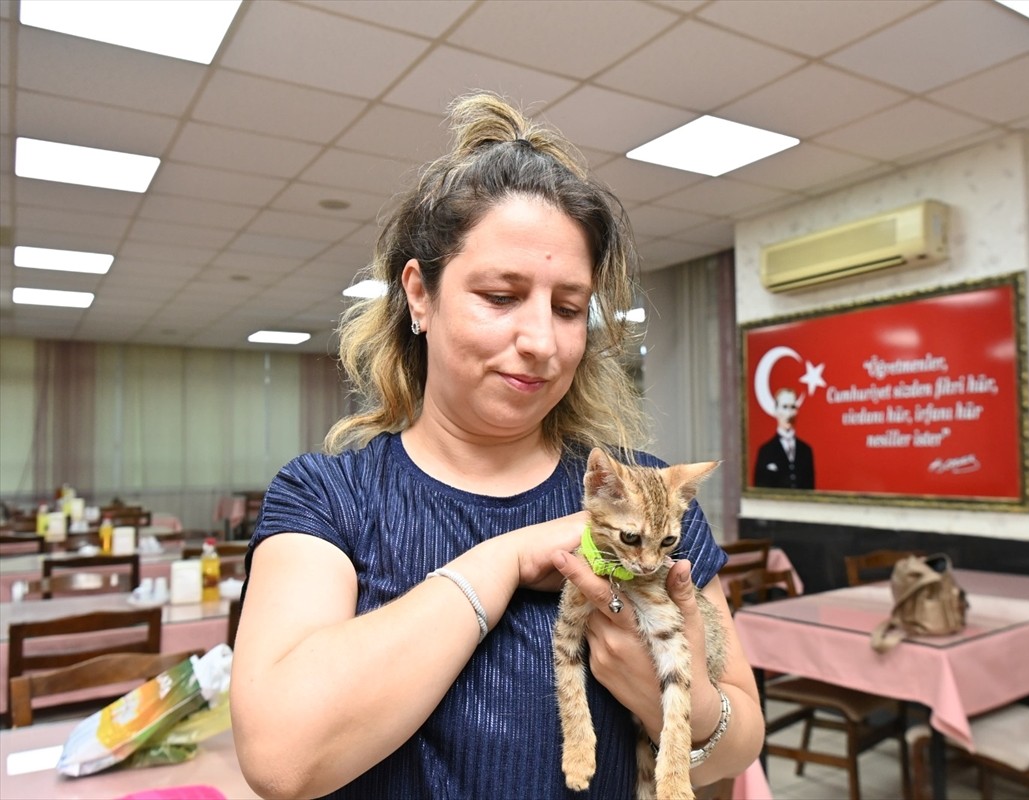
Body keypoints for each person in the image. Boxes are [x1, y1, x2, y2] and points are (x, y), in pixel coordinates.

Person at [230, 92, 764, 799]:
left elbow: (743, 736)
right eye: (501, 296)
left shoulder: (647, 499)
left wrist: (677, 702)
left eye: (569, 308)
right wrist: (505, 558)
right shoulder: (328, 498)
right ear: (419, 295)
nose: (542, 341)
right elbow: (281, 757)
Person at [753, 386, 815, 489]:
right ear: (776, 410)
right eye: (785, 407)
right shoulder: (765, 451)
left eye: (792, 407)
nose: (789, 414)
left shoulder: (806, 450)